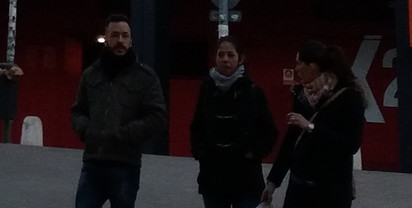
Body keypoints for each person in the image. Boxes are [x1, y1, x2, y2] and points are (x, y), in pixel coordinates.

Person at [70, 12, 167, 208]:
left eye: (125, 36)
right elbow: (78, 111)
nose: (120, 40)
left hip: (125, 164)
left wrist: (126, 133)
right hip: (93, 163)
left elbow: (157, 117)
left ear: (131, 41)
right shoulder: (91, 75)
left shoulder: (145, 77)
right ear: (106, 39)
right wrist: (88, 130)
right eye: (114, 35)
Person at [267, 41, 366, 208]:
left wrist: (310, 127)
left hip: (331, 191)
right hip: (299, 188)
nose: (296, 69)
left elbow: (351, 144)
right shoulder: (302, 96)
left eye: (299, 63)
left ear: (312, 66)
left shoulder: (349, 97)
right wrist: (273, 182)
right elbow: (291, 141)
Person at [189, 37, 274, 208]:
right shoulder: (206, 89)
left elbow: (269, 131)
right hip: (212, 176)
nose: (225, 59)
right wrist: (201, 152)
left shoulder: (253, 92)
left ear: (240, 58)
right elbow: (197, 126)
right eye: (221, 55)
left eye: (230, 55)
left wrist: (253, 152)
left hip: (246, 178)